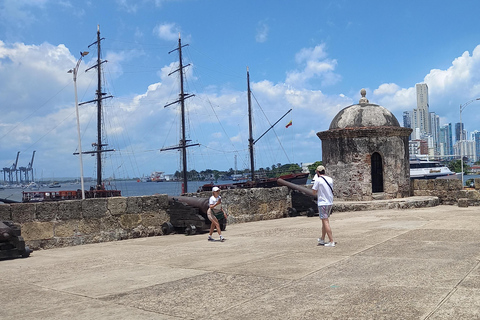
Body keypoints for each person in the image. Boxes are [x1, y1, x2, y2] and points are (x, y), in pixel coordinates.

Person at [311, 165, 335, 247]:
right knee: (324, 221)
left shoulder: (318, 180)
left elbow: (314, 192)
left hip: (322, 203)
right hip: (329, 202)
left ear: (317, 172)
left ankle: (331, 241)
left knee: (325, 221)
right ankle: (322, 238)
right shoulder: (330, 179)